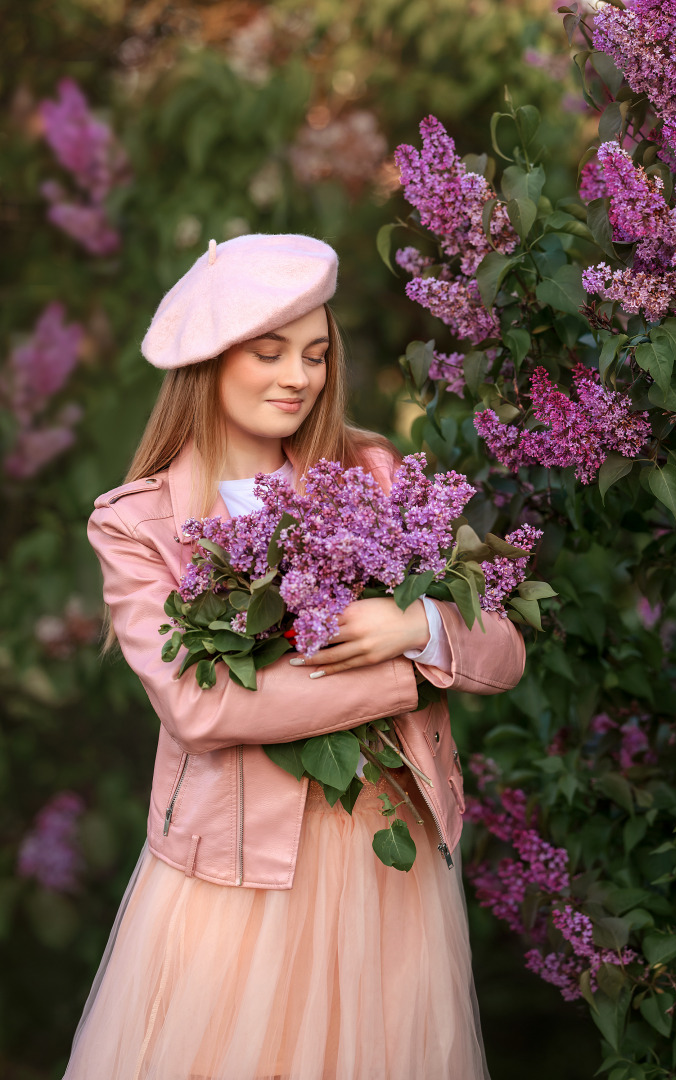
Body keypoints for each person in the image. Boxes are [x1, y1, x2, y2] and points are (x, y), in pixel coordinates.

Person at [64, 233, 526, 1080]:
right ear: (208, 359)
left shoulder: (373, 473)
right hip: (238, 877)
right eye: (269, 351)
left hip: (390, 858)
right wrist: (399, 673)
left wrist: (418, 625)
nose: (299, 377)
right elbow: (202, 708)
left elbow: (502, 650)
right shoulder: (138, 523)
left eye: (315, 354)